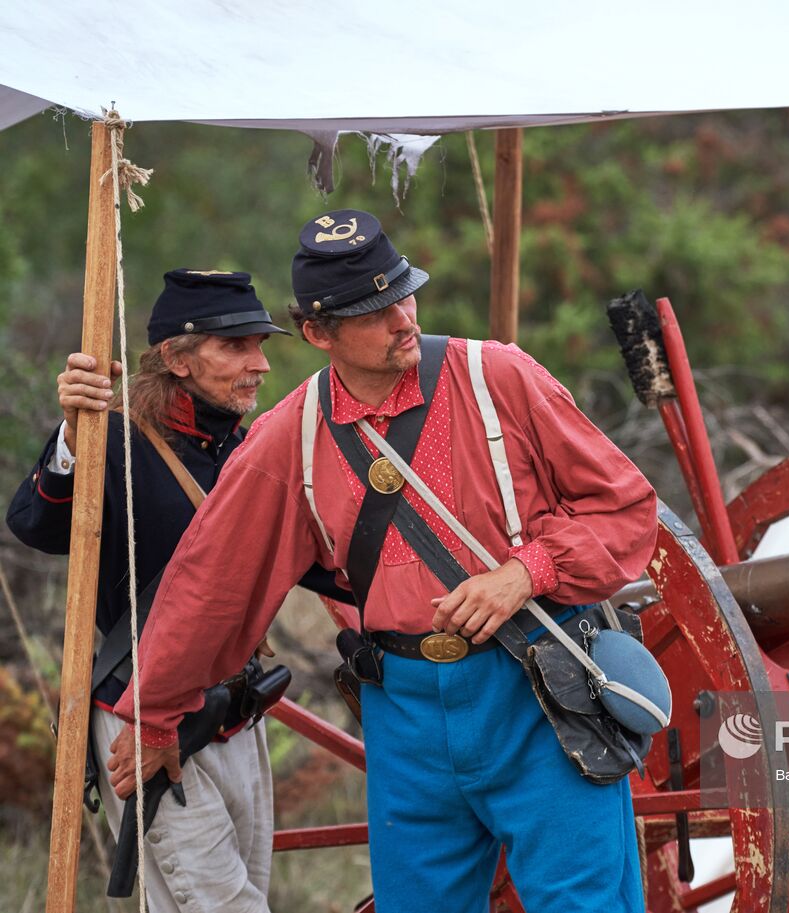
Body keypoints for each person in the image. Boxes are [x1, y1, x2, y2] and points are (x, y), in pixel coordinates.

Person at [109, 211, 658, 912]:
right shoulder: (288, 438)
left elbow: (624, 508)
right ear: (317, 332)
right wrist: (156, 713)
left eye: (404, 292)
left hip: (537, 694)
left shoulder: (500, 377)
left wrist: (528, 570)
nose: (402, 317)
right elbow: (212, 582)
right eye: (372, 309)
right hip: (404, 711)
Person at [7, 269, 349, 913]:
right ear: (176, 359)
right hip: (143, 718)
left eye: (261, 345)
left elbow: (313, 562)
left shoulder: (246, 447)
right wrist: (76, 438)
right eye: (238, 347)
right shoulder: (114, 441)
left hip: (233, 717)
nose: (260, 365)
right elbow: (36, 525)